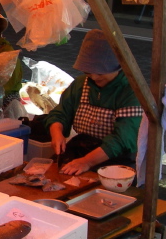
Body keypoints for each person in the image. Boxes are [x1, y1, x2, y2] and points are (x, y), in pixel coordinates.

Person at [45, 29, 143, 176]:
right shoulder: (81, 84)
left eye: (101, 72)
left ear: (119, 66)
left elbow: (122, 139)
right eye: (88, 72)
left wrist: (86, 162)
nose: (94, 77)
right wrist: (57, 133)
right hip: (83, 149)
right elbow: (60, 113)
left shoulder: (131, 91)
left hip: (118, 159)